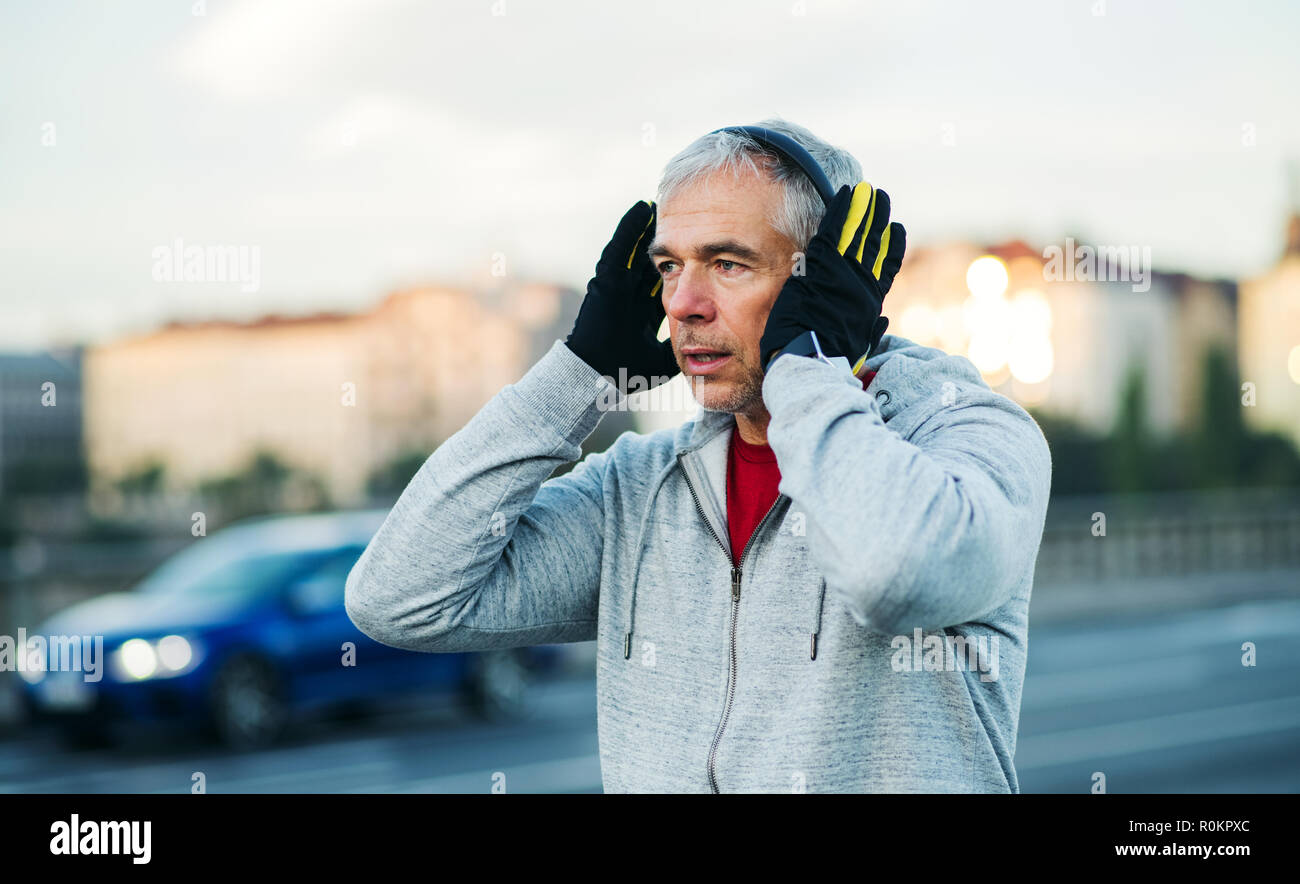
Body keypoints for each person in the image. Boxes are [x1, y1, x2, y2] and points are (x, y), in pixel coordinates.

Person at [345, 117, 1053, 793]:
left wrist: (805, 362)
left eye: (727, 263)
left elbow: (897, 573)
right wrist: (581, 371)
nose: (682, 302)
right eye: (669, 267)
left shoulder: (968, 436)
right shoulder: (640, 490)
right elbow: (399, 599)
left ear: (825, 281)